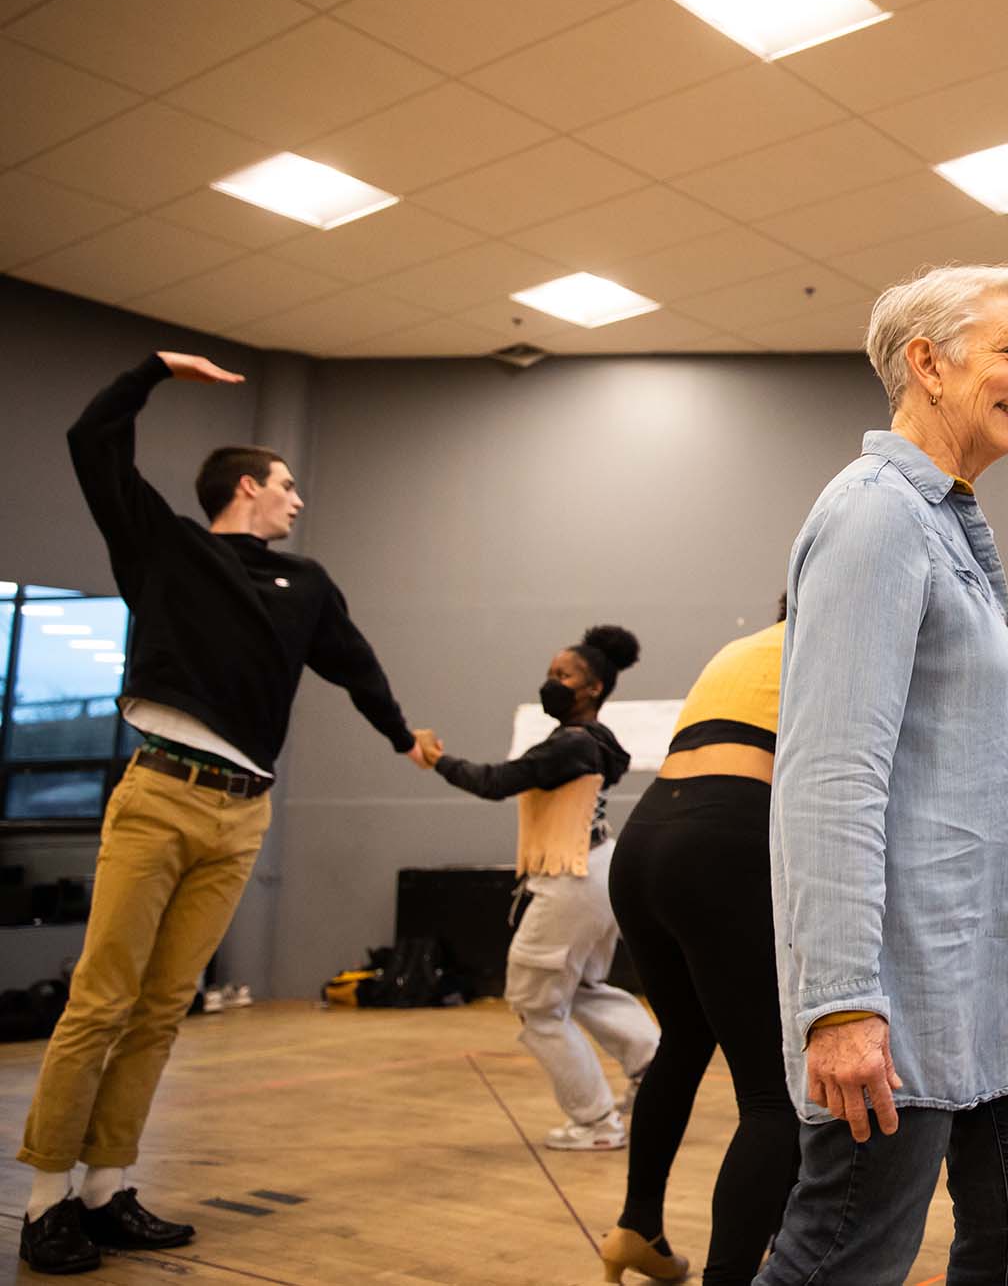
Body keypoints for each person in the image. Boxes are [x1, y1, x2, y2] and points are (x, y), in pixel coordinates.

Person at [19, 352, 435, 1276]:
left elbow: (354, 662)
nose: (297, 501)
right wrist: (152, 369)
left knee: (164, 1007)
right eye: (286, 486)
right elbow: (91, 439)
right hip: (159, 794)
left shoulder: (309, 585)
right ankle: (47, 1200)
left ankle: (106, 1186)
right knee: (102, 999)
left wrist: (403, 736)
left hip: (243, 814)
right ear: (246, 486)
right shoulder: (164, 544)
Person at [754, 265, 1008, 1284]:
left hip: (987, 986)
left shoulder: (946, 523)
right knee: (843, 1254)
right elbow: (828, 776)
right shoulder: (875, 515)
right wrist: (841, 1000)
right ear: (926, 365)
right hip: (903, 987)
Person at [597, 598, 793, 1286]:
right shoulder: (829, 645)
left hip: (644, 840)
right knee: (777, 1096)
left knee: (684, 1039)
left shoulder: (740, 649)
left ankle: (636, 1226)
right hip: (722, 839)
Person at [422, 626, 658, 1154]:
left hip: (573, 877)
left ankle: (595, 1122)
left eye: (563, 676)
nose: (551, 683)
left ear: (593, 688)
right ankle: (651, 1063)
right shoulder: (598, 742)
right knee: (579, 988)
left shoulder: (571, 744)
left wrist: (437, 760)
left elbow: (494, 781)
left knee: (534, 1003)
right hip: (597, 871)